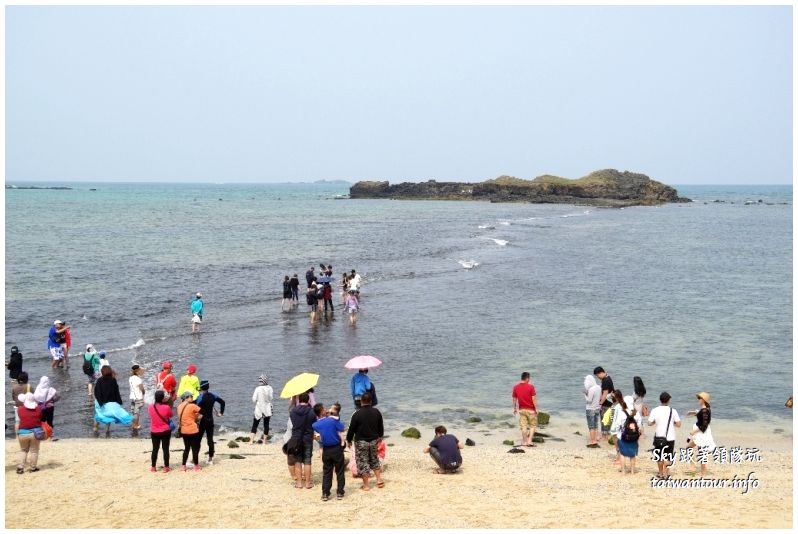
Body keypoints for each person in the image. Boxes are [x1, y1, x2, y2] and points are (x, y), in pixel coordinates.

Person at [346, 392, 385, 491]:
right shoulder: (376, 412)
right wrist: (380, 436)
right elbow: (380, 426)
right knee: (374, 459)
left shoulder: (357, 414)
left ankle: (366, 485)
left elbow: (352, 429)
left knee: (363, 462)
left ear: (361, 401)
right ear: (371, 401)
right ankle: (379, 479)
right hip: (373, 440)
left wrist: (349, 440)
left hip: (361, 441)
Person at [312, 402, 347, 501]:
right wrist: (331, 415)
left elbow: (316, 431)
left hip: (326, 449)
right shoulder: (332, 421)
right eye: (324, 409)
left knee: (327, 472)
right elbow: (342, 428)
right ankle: (340, 492)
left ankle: (325, 493)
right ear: (323, 411)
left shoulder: (315, 424)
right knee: (339, 471)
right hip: (336, 448)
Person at [648, 391, 682, 480]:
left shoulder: (655, 410)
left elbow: (649, 423)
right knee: (668, 456)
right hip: (670, 437)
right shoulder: (673, 411)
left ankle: (660, 473)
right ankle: (666, 474)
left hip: (659, 436)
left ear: (660, 400)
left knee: (659, 456)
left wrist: (656, 421)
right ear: (668, 400)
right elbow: (679, 424)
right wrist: (672, 422)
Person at [93, 365, 133, 437]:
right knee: (109, 416)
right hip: (111, 402)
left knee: (98, 415)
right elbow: (116, 391)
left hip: (101, 401)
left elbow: (97, 392)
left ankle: (95, 429)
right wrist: (119, 401)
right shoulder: (113, 380)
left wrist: (100, 401)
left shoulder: (99, 380)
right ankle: (107, 431)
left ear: (102, 372)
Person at [289, 392, 317, 489]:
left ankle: (299, 483)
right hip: (308, 438)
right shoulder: (312, 412)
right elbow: (314, 424)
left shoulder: (293, 411)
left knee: (297, 460)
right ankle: (308, 483)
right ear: (308, 400)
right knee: (307, 461)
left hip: (296, 438)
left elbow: (293, 423)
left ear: (299, 400)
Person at [611, 390, 641, 474]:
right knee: (632, 454)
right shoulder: (636, 413)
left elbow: (617, 424)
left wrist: (618, 433)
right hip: (634, 436)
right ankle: (632, 471)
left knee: (622, 454)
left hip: (622, 436)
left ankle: (623, 471)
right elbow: (639, 425)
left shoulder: (622, 412)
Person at [686, 391, 716, 476]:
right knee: (689, 447)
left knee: (702, 452)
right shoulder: (705, 409)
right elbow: (701, 414)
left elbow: (704, 425)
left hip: (702, 433)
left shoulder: (705, 410)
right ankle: (693, 466)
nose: (698, 399)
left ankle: (703, 473)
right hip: (700, 432)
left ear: (703, 400)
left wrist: (693, 432)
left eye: (699, 398)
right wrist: (693, 412)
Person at [195, 380, 225, 466]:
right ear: (208, 387)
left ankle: (195, 459)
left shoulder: (200, 397)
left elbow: (195, 407)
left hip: (202, 421)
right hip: (210, 420)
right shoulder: (213, 396)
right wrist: (221, 413)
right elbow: (222, 402)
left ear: (201, 388)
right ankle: (210, 459)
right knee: (210, 440)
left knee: (198, 440)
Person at [16, 392, 44, 474]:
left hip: (22, 433)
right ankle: (32, 468)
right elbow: (40, 418)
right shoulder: (38, 409)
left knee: (23, 450)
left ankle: (20, 467)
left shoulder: (20, 409)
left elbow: (20, 418)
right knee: (34, 451)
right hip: (35, 433)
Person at [148, 390, 173, 473]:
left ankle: (153, 467)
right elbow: (171, 415)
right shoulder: (166, 407)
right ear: (163, 398)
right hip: (165, 430)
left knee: (155, 449)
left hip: (154, 430)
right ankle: (166, 467)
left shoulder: (150, 407)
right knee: (165, 449)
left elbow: (151, 415)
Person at [177, 391, 203, 471]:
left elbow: (186, 417)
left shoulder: (179, 406)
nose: (192, 398)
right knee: (195, 448)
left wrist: (194, 417)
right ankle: (196, 466)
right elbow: (203, 412)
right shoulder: (192, 406)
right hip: (192, 430)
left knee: (186, 448)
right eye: (191, 396)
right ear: (187, 397)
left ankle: (183, 466)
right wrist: (198, 417)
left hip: (184, 430)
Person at [512, 372, 538, 447]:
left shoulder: (515, 387)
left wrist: (514, 408)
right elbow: (534, 399)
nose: (529, 380)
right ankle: (529, 441)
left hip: (521, 410)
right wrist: (536, 408)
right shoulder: (531, 387)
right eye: (529, 378)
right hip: (531, 410)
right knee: (532, 426)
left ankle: (524, 442)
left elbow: (514, 399)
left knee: (523, 426)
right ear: (527, 378)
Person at [250, 375, 273, 444]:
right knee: (266, 424)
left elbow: (253, 400)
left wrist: (258, 400)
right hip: (267, 408)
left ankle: (251, 441)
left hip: (259, 409)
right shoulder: (270, 388)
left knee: (255, 424)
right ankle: (264, 441)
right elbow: (271, 398)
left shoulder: (257, 388)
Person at [593, 367, 615, 441]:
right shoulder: (608, 377)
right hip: (611, 402)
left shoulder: (605, 381)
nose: (597, 377)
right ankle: (608, 435)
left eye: (597, 375)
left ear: (601, 373)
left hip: (606, 403)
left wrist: (600, 403)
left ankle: (604, 436)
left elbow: (605, 393)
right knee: (608, 419)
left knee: (604, 419)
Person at [583, 374, 601, 448]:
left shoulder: (591, 389)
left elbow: (589, 400)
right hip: (597, 408)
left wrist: (585, 395)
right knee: (596, 424)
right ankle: (596, 439)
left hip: (590, 409)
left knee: (591, 426)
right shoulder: (599, 387)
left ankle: (593, 441)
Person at [129, 365, 146, 431]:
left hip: (132, 397)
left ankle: (133, 424)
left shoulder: (130, 378)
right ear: (137, 371)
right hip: (138, 397)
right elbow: (142, 389)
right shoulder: (138, 379)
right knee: (137, 412)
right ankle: (136, 425)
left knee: (133, 412)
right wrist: (143, 393)